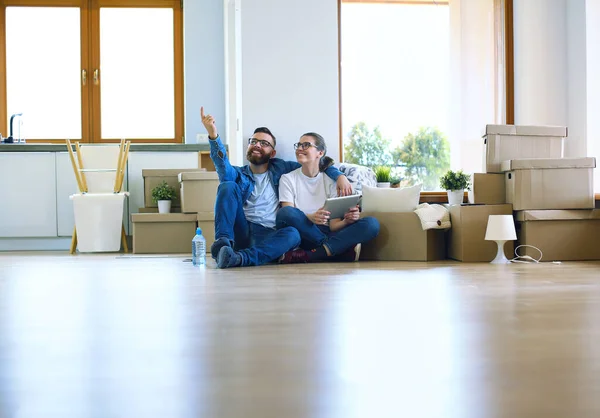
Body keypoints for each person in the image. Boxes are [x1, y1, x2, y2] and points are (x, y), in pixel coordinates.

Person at [200, 108, 353, 269]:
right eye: (253, 141)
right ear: (248, 148)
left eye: (264, 143)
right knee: (227, 185)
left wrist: (339, 176)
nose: (257, 145)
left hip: (269, 234)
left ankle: (238, 259)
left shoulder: (282, 168)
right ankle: (222, 245)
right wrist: (213, 135)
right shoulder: (238, 174)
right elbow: (222, 166)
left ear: (272, 153)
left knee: (293, 235)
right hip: (242, 230)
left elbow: (315, 164)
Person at [276, 132, 380, 263]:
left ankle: (316, 254)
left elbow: (334, 225)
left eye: (306, 145)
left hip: (328, 232)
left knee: (372, 224)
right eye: (299, 145)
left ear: (320, 153)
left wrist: (347, 221)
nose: (299, 148)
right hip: (305, 231)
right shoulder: (288, 178)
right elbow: (288, 213)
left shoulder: (331, 181)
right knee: (285, 213)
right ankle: (334, 250)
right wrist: (311, 217)